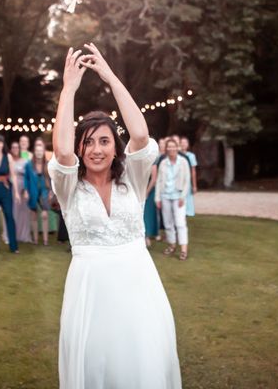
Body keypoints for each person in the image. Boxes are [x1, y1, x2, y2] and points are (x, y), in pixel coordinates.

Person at [49, 44, 181, 389]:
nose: (96, 149)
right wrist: (69, 88)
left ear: (114, 147)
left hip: (139, 285)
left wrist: (108, 75)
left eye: (104, 141)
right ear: (81, 148)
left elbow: (139, 134)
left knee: (142, 363)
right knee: (96, 366)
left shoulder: (132, 180)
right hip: (91, 291)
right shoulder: (69, 187)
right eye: (89, 142)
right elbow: (61, 150)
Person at [156, 138, 190, 261]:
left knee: (180, 223)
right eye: (168, 147)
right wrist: (157, 198)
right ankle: (171, 245)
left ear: (177, 148)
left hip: (178, 197)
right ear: (166, 149)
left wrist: (182, 196)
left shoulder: (183, 162)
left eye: (173, 146)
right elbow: (159, 181)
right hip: (165, 196)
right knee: (168, 223)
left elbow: (187, 181)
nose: (171, 148)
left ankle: (183, 250)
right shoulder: (163, 163)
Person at [25, 139, 52, 245]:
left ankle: (45, 240)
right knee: (34, 215)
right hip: (33, 191)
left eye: (41, 151)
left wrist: (51, 191)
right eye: (37, 151)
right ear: (34, 152)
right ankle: (35, 240)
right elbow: (26, 179)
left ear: (43, 152)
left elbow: (52, 179)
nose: (39, 153)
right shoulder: (29, 165)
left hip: (44, 191)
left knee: (45, 215)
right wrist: (26, 191)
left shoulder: (48, 164)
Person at [9, 140, 32, 243]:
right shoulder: (9, 161)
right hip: (11, 188)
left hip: (23, 187)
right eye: (13, 147)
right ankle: (10, 235)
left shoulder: (25, 161)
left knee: (23, 212)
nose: (15, 149)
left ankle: (23, 235)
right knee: (12, 211)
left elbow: (28, 176)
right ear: (11, 149)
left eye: (17, 147)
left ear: (19, 149)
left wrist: (26, 189)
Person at [143, 154, 160, 247]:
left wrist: (146, 192)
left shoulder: (153, 160)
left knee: (147, 215)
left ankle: (147, 237)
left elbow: (154, 179)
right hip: (139, 190)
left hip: (149, 191)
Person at [180, 136, 198, 217]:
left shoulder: (191, 156)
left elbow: (193, 171)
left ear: (188, 145)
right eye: (182, 143)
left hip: (187, 181)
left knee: (187, 198)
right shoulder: (177, 155)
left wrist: (194, 185)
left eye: (185, 143)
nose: (183, 144)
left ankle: (188, 212)